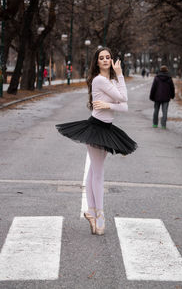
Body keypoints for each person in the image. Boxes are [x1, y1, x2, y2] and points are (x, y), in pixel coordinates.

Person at [55, 47, 137, 235]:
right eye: (102, 58)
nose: (106, 60)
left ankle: (91, 211)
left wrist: (109, 103)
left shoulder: (112, 80)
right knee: (98, 173)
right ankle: (99, 214)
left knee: (93, 169)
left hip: (107, 129)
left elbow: (125, 106)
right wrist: (120, 75)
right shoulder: (100, 80)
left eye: (108, 57)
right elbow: (122, 98)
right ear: (97, 62)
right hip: (96, 128)